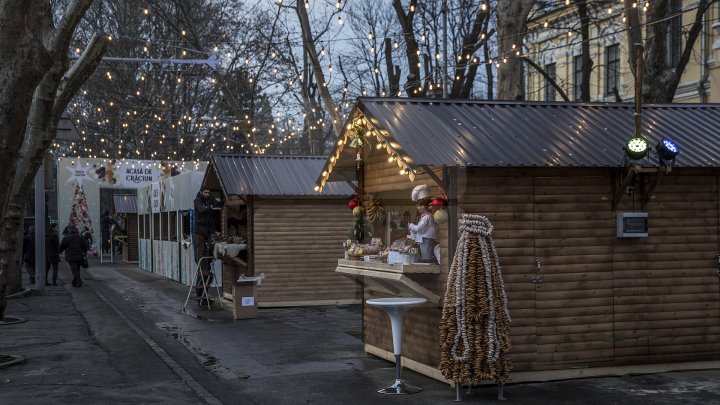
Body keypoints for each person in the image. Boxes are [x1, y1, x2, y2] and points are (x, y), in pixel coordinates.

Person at [193, 188, 222, 305]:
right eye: (205, 193)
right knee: (202, 267)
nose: (207, 195)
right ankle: (200, 296)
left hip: (207, 233)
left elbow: (216, 203)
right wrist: (210, 207)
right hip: (200, 233)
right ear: (201, 193)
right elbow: (201, 209)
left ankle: (204, 296)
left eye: (209, 193)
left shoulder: (209, 199)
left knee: (208, 269)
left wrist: (220, 203)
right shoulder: (197, 201)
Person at [408, 185, 439, 264]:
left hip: (425, 239)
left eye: (419, 205)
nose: (418, 207)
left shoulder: (426, 218)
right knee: (426, 253)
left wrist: (410, 225)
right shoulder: (428, 217)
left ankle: (426, 266)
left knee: (426, 256)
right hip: (426, 238)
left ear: (423, 206)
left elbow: (419, 229)